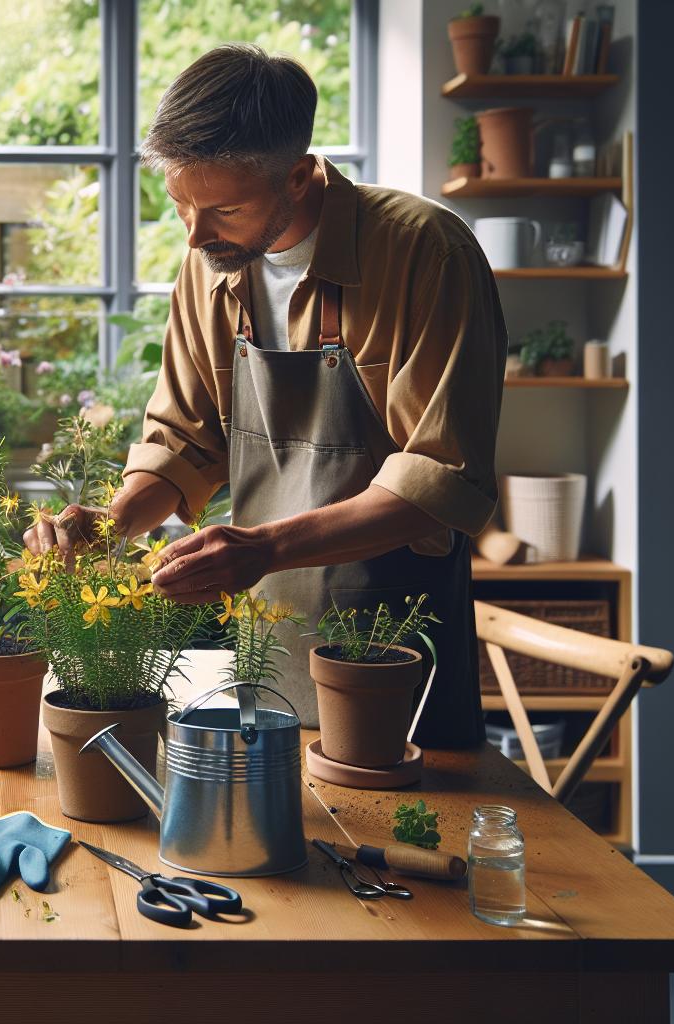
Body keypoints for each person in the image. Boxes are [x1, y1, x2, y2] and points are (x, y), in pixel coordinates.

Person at [25, 44, 506, 746]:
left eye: (223, 208)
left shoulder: (427, 255)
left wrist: (261, 547)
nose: (195, 233)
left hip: (389, 654)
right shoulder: (210, 262)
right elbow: (186, 441)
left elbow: (440, 480)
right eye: (180, 204)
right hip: (261, 648)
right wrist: (113, 520)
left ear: (302, 177)